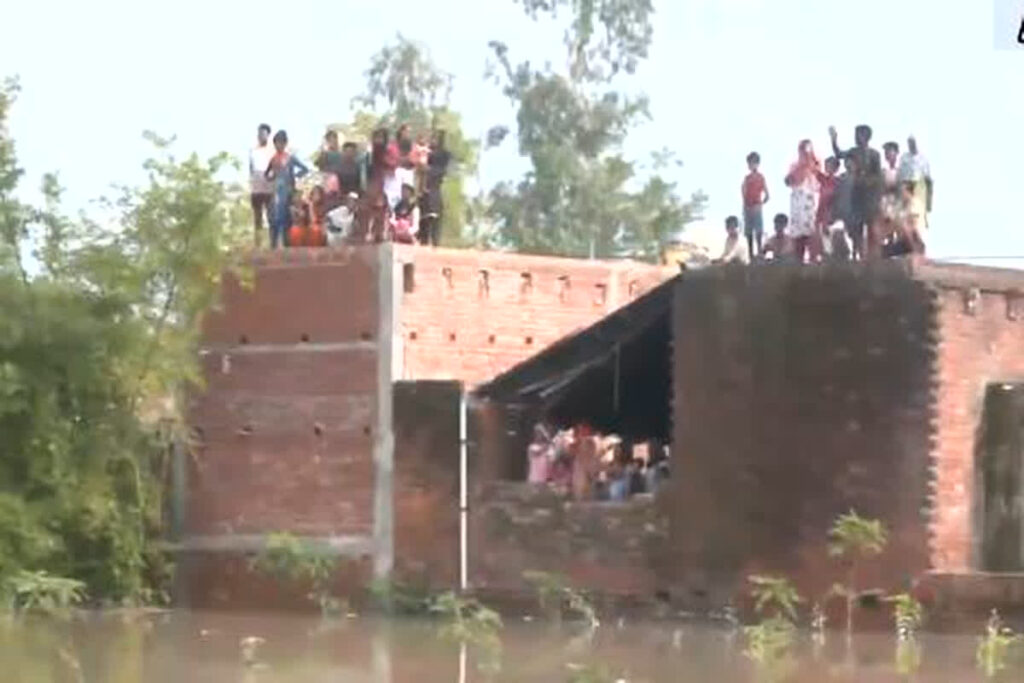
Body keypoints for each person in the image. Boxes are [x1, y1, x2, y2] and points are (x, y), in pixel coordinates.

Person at [829, 124, 883, 259]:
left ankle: (871, 258)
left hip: (869, 197)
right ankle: (857, 255)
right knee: (855, 228)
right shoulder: (853, 152)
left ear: (866, 137)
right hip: (856, 195)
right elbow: (839, 154)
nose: (856, 137)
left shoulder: (874, 154)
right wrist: (834, 140)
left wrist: (868, 183)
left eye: (858, 135)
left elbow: (878, 176)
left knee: (871, 229)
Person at [264, 130, 309, 248]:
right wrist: (273, 177)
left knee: (288, 217)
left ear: (285, 144)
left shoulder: (290, 158)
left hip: (289, 191)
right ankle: (274, 245)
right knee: (276, 218)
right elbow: (267, 174)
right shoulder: (273, 159)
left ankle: (288, 244)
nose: (279, 145)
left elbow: (305, 169)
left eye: (281, 143)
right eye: (276, 143)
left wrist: (295, 176)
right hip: (277, 192)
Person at [784, 139, 821, 263]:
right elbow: (787, 181)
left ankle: (813, 259)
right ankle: (798, 260)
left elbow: (821, 179)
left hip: (810, 203)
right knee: (797, 235)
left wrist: (811, 163)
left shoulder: (815, 166)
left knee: (811, 232)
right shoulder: (794, 166)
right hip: (797, 204)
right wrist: (800, 167)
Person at [420, 129, 451, 246]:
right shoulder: (430, 154)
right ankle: (428, 240)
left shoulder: (441, 156)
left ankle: (433, 241)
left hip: (434, 187)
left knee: (433, 215)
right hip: (430, 187)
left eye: (435, 138)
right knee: (427, 216)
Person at [897, 136, 933, 230]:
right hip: (906, 186)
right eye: (909, 142)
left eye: (913, 142)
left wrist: (928, 204)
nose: (911, 144)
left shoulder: (923, 159)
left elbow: (928, 179)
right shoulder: (904, 157)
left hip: (919, 187)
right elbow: (900, 174)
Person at [249, 123, 275, 246]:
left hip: (269, 188)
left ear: (268, 135)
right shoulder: (253, 150)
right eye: (259, 133)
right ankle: (258, 243)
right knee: (257, 217)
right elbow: (251, 168)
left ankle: (272, 243)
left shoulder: (272, 150)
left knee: (271, 216)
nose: (261, 136)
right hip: (256, 187)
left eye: (263, 133)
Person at [741, 151, 769, 259]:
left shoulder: (760, 177)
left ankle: (759, 252)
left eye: (754, 163)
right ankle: (750, 253)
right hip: (748, 206)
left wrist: (760, 203)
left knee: (758, 231)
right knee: (748, 232)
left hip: (756, 205)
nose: (751, 165)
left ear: (758, 164)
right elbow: (743, 191)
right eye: (750, 163)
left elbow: (767, 194)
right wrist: (744, 206)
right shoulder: (747, 178)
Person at [834, 156, 860, 259]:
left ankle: (856, 255)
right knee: (845, 232)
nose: (848, 164)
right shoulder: (842, 177)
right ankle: (845, 255)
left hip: (857, 210)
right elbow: (836, 194)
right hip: (844, 209)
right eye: (846, 162)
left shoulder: (859, 177)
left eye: (850, 162)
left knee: (857, 234)